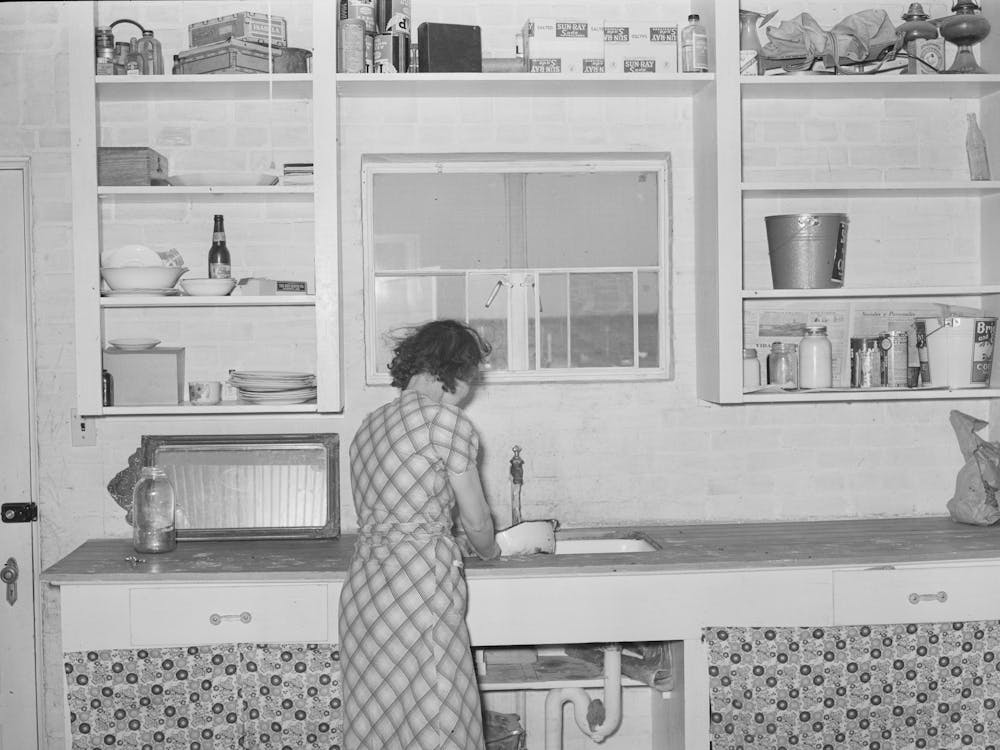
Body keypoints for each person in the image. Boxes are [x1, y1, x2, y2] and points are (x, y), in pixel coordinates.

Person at [338, 319, 501, 750]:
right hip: (418, 588)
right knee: (439, 714)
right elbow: (477, 522)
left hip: (365, 591)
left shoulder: (370, 424)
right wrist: (491, 552)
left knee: (379, 721)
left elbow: (392, 509)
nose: (469, 389)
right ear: (456, 371)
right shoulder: (446, 423)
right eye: (472, 378)